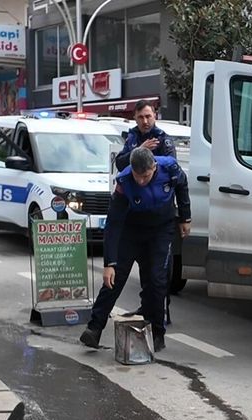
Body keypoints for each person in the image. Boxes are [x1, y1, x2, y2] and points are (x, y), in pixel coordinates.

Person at [80, 147, 191, 352]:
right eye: (137, 176)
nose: (140, 181)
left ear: (154, 167)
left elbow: (183, 187)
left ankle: (157, 333)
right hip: (131, 230)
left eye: (146, 176)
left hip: (161, 229)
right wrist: (109, 263)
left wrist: (185, 217)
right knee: (115, 278)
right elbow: (113, 224)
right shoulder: (124, 182)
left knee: (157, 280)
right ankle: (94, 328)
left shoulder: (170, 168)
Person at [114, 100, 178, 322]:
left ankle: (162, 310)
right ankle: (146, 306)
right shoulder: (132, 138)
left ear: (155, 116)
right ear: (135, 118)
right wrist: (139, 150)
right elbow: (120, 164)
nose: (145, 121)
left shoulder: (163, 139)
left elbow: (173, 169)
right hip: (137, 212)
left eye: (148, 116)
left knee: (160, 270)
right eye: (141, 117)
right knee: (144, 266)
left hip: (161, 211)